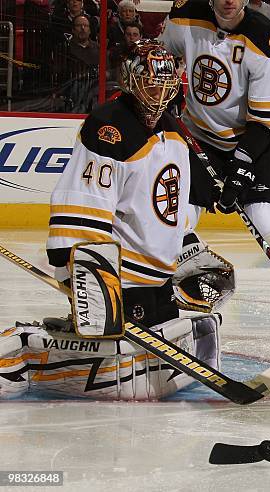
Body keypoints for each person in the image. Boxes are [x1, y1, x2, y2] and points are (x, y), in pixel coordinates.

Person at [4, 40, 226, 400]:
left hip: (158, 277)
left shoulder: (174, 130)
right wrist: (81, 273)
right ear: (131, 80)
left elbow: (171, 207)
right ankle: (28, 358)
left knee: (161, 337)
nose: (159, 92)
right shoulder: (108, 128)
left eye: (166, 84)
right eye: (151, 82)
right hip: (122, 276)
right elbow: (85, 203)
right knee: (120, 351)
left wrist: (188, 244)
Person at [160, 0, 270, 276]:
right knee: (174, 215)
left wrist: (241, 167)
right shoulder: (185, 16)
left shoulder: (268, 42)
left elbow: (263, 122)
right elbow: (163, 58)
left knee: (264, 217)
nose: (229, 1)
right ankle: (181, 281)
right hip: (198, 136)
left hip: (258, 142)